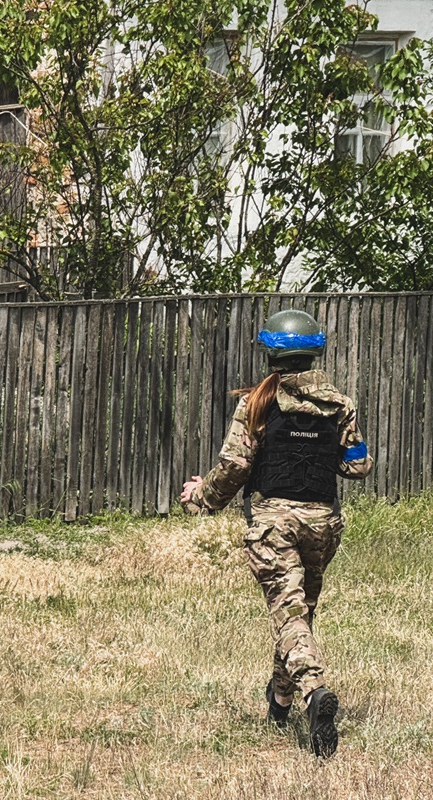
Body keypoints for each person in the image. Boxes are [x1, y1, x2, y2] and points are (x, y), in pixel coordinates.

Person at [180, 309, 374, 759]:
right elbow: (359, 465)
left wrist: (200, 497)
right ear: (314, 352)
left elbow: (235, 466)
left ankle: (314, 692)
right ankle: (280, 702)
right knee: (297, 612)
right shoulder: (340, 405)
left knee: (289, 617)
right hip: (322, 524)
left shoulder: (258, 403)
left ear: (272, 354)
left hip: (273, 525)